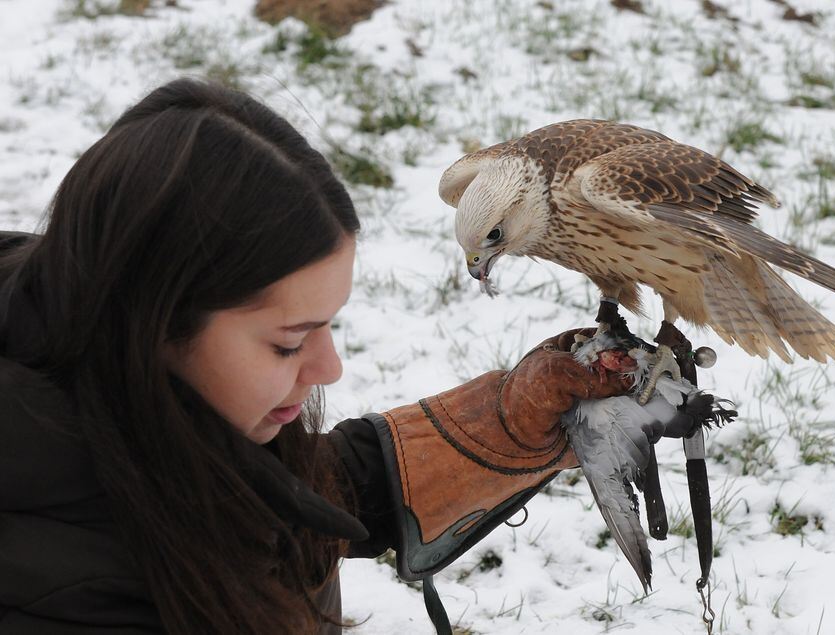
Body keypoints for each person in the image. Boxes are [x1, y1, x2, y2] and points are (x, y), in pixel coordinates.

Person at [0, 78, 647, 634]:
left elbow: (265, 498)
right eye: (288, 341)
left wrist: (501, 427)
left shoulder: (108, 370)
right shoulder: (58, 591)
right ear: (153, 320)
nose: (328, 367)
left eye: (328, 325)